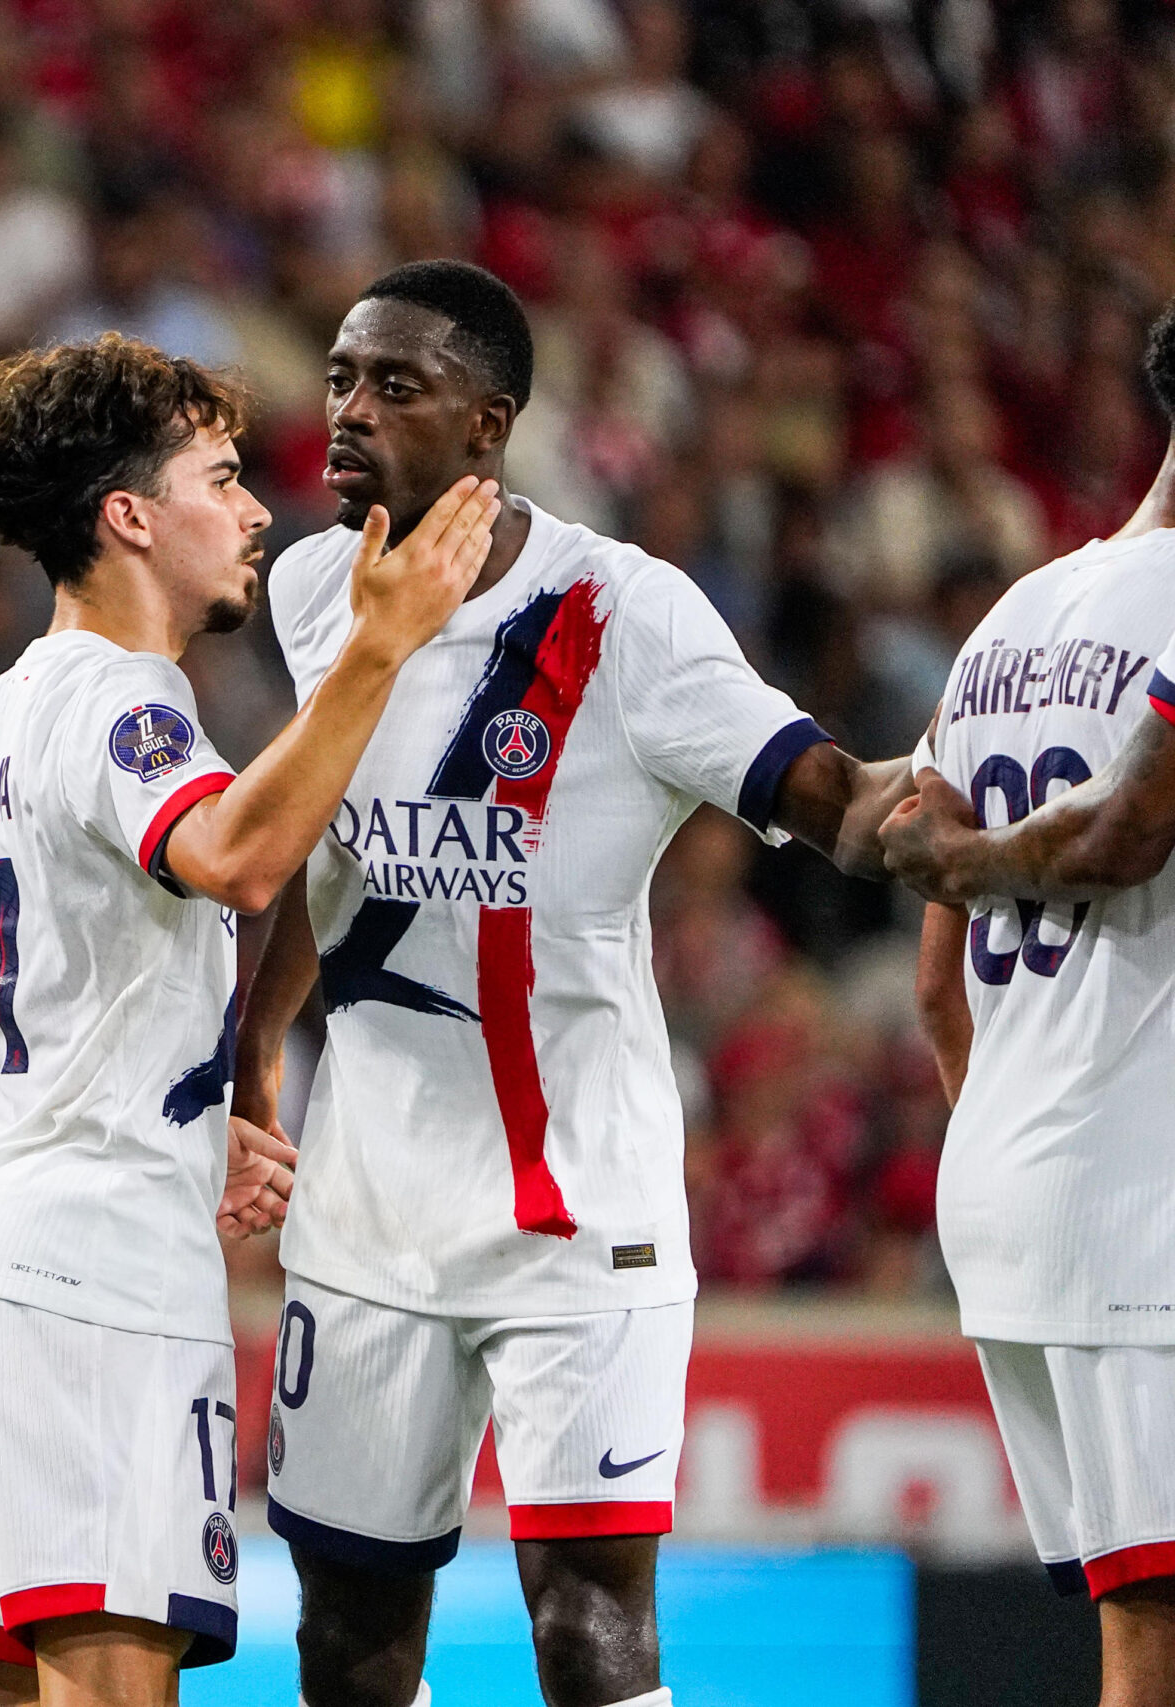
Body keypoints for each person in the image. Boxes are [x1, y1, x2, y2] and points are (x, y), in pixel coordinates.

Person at [231, 261, 913, 1707]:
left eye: (395, 387)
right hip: (365, 1217)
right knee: (346, 1643)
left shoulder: (624, 609)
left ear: (492, 425)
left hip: (575, 1211)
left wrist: (957, 832)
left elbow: (825, 794)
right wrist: (253, 1065)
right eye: (343, 377)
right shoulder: (308, 586)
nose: (349, 412)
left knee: (584, 1629)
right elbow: (306, 839)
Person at [0, 331, 500, 1706]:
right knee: (111, 1686)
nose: (258, 508)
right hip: (91, 1277)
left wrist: (163, 1103)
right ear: (130, 515)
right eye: (221, 478)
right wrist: (377, 652)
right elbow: (235, 858)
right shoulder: (124, 705)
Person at [884, 303, 1175, 1707]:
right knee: (1155, 1645)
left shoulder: (1016, 612)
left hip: (1014, 1179)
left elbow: (938, 976)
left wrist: (1013, 1127)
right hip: (1138, 1203)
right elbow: (1129, 833)